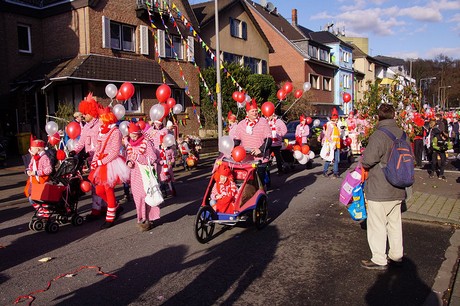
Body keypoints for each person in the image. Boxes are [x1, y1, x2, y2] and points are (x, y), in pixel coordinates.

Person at [360, 103, 408, 270]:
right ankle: (396, 254)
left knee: (377, 224)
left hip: (380, 187)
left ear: (378, 117)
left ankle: (379, 258)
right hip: (399, 186)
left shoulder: (378, 135)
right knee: (395, 223)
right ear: (394, 115)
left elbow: (367, 160)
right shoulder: (402, 134)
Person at [88, 107, 130, 229]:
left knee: (108, 190)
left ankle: (110, 217)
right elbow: (98, 149)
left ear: (106, 119)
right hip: (101, 163)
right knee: (99, 191)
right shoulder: (102, 130)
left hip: (110, 163)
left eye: (101, 118)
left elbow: (114, 152)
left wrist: (101, 161)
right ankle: (115, 207)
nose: (99, 120)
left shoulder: (115, 132)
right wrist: (94, 161)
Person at [71, 93, 106, 220]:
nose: (83, 116)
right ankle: (103, 207)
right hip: (91, 161)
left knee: (99, 185)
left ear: (92, 112)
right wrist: (74, 151)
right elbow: (81, 142)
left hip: (101, 160)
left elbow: (102, 143)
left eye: (85, 114)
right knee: (98, 185)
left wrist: (93, 153)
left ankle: (97, 209)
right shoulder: (85, 127)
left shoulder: (100, 125)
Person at [125, 122, 160, 231]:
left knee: (146, 196)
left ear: (139, 134)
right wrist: (129, 162)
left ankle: (148, 219)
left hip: (145, 173)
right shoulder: (130, 144)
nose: (133, 138)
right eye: (131, 135)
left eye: (134, 136)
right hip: (135, 174)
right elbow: (129, 156)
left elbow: (153, 158)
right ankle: (141, 218)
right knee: (138, 197)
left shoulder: (146, 143)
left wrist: (139, 158)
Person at [233, 98, 272, 186]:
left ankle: (262, 197)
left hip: (260, 159)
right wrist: (234, 151)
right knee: (247, 184)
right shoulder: (241, 124)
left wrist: (261, 150)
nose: (255, 113)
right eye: (252, 111)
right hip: (246, 159)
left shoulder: (263, 122)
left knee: (259, 184)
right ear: (247, 113)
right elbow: (236, 140)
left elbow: (269, 139)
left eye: (256, 111)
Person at [24, 139, 53, 219]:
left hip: (41, 181)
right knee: (31, 197)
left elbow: (49, 170)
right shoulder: (34, 158)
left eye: (32, 148)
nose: (30, 150)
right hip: (33, 181)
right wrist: (28, 171)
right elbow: (30, 166)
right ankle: (40, 209)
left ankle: (45, 211)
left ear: (38, 149)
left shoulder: (44, 158)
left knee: (41, 198)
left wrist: (36, 172)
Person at [322, 109, 341, 178]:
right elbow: (328, 135)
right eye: (336, 120)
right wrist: (332, 144)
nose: (337, 121)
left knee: (336, 159)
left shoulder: (336, 127)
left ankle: (335, 172)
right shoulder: (330, 126)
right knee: (329, 158)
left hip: (337, 145)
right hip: (331, 145)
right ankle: (325, 171)